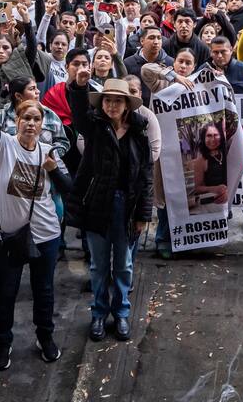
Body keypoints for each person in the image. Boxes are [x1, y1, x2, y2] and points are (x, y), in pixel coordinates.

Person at [0, 77, 69, 370]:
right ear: (16, 121)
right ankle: (3, 342)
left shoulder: (48, 151)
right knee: (6, 291)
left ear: (42, 124)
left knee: (44, 290)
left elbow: (68, 189)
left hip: (46, 234)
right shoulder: (3, 146)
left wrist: (54, 170)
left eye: (36, 119)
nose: (31, 123)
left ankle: (45, 337)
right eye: (26, 118)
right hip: (8, 235)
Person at [66, 71, 153, 342]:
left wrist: (143, 214)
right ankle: (99, 313)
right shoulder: (95, 127)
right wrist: (80, 86)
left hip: (126, 207)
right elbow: (79, 114)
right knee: (99, 266)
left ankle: (121, 312)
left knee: (124, 265)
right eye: (107, 100)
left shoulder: (139, 131)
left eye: (118, 101)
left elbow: (146, 175)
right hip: (97, 204)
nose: (112, 105)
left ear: (127, 105)